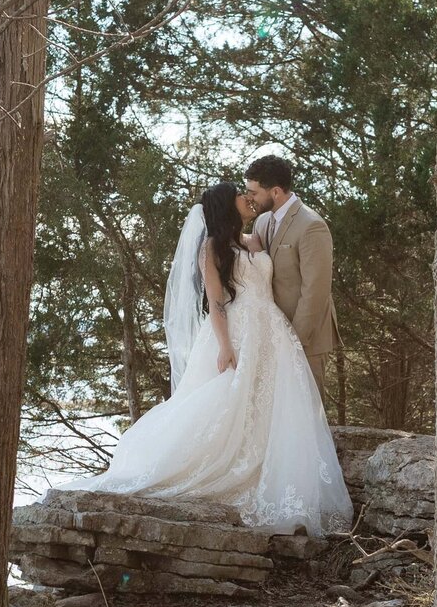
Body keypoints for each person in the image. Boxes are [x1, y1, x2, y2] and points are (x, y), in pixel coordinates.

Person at [75, 180, 351, 536]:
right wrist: (225, 345)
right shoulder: (212, 248)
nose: (248, 198)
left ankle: (269, 468)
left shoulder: (255, 239)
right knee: (227, 399)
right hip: (236, 331)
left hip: (271, 330)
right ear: (227, 203)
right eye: (242, 194)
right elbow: (217, 302)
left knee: (272, 402)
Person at [243, 154, 340, 400]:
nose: (249, 198)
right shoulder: (262, 222)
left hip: (306, 340)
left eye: (254, 193)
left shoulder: (311, 226)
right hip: (273, 336)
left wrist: (294, 341)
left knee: (306, 410)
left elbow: (315, 291)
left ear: (275, 192)